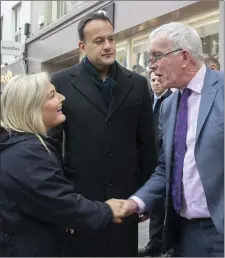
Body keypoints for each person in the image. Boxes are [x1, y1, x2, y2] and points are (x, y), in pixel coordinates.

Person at [49, 12, 157, 257]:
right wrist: (62, 199)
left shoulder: (138, 84)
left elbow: (147, 144)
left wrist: (146, 196)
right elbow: (53, 144)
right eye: (99, 41)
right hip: (81, 199)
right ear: (82, 46)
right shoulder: (62, 81)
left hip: (126, 199)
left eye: (111, 39)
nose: (108, 46)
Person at [121, 22, 224, 257]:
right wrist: (136, 202)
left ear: (184, 56)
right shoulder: (168, 106)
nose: (151, 66)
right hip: (186, 233)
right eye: (150, 58)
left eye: (157, 56)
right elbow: (167, 168)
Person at [0, 73, 127, 257]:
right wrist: (107, 210)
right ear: (31, 107)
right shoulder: (29, 153)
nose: (62, 97)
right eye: (52, 95)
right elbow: (60, 203)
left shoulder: (20, 145)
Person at [138, 72, 172, 257]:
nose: (157, 83)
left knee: (167, 207)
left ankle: (167, 244)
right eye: (153, 80)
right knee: (156, 205)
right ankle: (155, 242)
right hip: (152, 160)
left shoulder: (172, 100)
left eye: (160, 79)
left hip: (165, 157)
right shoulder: (147, 101)